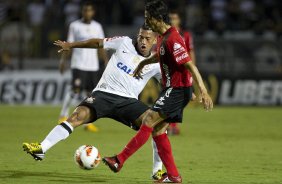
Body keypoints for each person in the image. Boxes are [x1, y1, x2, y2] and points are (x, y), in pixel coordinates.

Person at [23, 25, 165, 180]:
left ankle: (156, 172)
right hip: (103, 94)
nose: (143, 41)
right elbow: (98, 43)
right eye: (140, 37)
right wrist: (71, 45)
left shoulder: (156, 64)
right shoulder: (123, 42)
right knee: (77, 116)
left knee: (157, 126)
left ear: (155, 40)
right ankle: (42, 148)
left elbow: (167, 82)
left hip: (128, 101)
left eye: (147, 38)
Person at [102, 0, 213, 183]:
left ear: (157, 18)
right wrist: (144, 63)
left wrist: (203, 89)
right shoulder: (162, 36)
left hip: (178, 90)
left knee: (149, 120)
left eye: (148, 17)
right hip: (173, 89)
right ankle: (174, 176)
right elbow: (160, 55)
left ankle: (119, 160)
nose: (146, 20)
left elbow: (190, 65)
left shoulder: (173, 39)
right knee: (159, 131)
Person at [58, 1, 108, 132]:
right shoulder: (74, 26)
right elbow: (68, 45)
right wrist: (63, 61)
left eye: (89, 10)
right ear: (82, 12)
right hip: (78, 64)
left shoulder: (97, 26)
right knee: (75, 90)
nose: (87, 13)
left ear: (93, 12)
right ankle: (63, 115)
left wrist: (106, 61)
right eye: (85, 10)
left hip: (93, 66)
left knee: (89, 94)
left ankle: (86, 123)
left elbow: (101, 45)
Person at [168, 10, 197, 135]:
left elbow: (191, 52)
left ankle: (170, 124)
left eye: (174, 18)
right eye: (170, 18)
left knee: (185, 97)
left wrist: (193, 69)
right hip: (170, 71)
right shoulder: (165, 34)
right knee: (175, 97)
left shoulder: (186, 35)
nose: (172, 20)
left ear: (179, 20)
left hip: (184, 70)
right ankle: (171, 125)